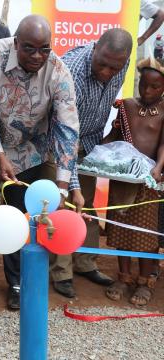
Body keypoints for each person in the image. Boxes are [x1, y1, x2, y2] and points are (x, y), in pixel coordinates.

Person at [0, 15, 80, 311]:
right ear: (16, 43)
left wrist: (62, 187)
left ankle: (16, 281)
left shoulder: (59, 72)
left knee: (20, 215)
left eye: (44, 49)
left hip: (28, 153)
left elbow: (67, 129)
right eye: (29, 48)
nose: (37, 56)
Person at [51, 29, 133, 299]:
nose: (109, 72)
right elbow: (64, 135)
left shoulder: (120, 61)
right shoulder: (70, 71)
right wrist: (71, 183)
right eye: (103, 64)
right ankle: (61, 272)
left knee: (84, 203)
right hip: (59, 140)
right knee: (65, 203)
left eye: (116, 67)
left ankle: (85, 263)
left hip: (89, 140)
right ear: (95, 47)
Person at [103, 57, 164, 307]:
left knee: (146, 235)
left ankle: (144, 282)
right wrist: (98, 151)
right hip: (123, 178)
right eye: (143, 85)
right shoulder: (126, 106)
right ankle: (123, 277)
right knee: (120, 229)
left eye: (155, 87)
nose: (147, 91)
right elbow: (113, 139)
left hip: (149, 181)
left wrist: (159, 168)